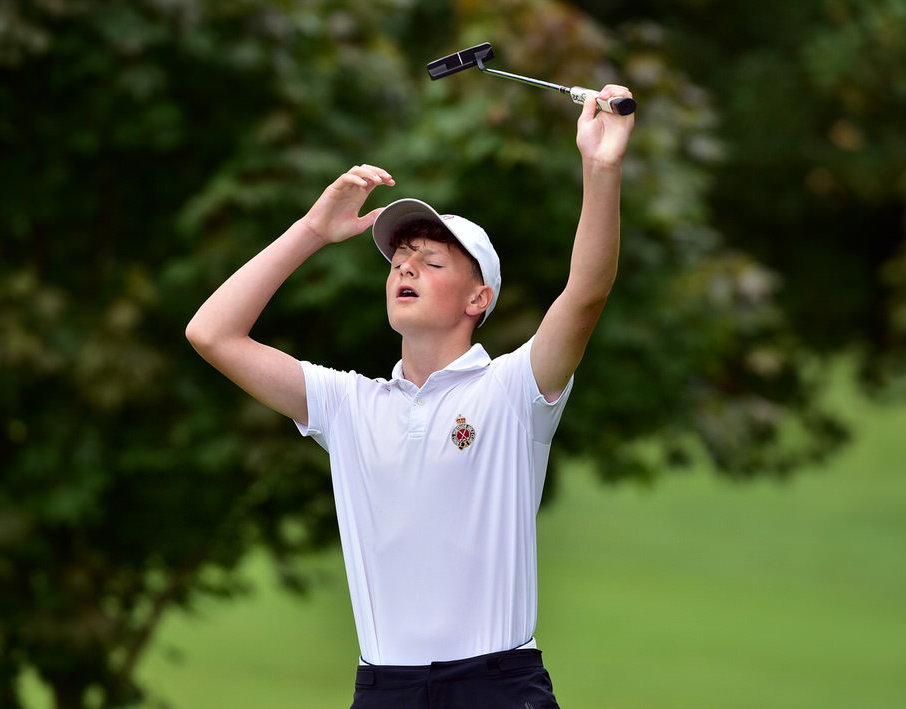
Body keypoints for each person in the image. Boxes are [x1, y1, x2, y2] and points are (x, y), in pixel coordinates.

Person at [186, 84, 635, 708]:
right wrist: (312, 231)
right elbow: (211, 333)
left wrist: (601, 168)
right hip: (384, 690)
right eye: (399, 258)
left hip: (497, 688)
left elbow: (587, 290)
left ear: (479, 299)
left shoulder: (512, 389)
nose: (404, 267)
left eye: (431, 261)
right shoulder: (348, 404)